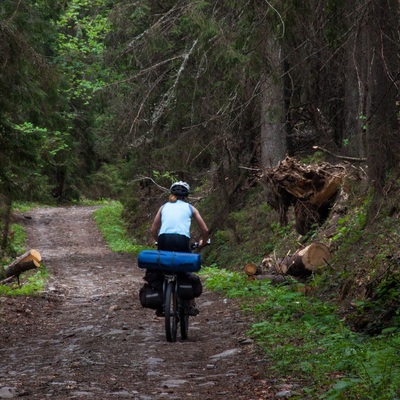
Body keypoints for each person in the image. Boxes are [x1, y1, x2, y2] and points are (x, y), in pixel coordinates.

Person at [146, 181, 209, 316]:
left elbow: (153, 230)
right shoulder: (190, 208)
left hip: (163, 239)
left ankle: (161, 304)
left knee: (162, 269)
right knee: (185, 271)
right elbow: (205, 229)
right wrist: (203, 241)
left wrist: (159, 242)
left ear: (171, 193)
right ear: (187, 195)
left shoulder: (163, 207)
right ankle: (191, 305)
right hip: (181, 241)